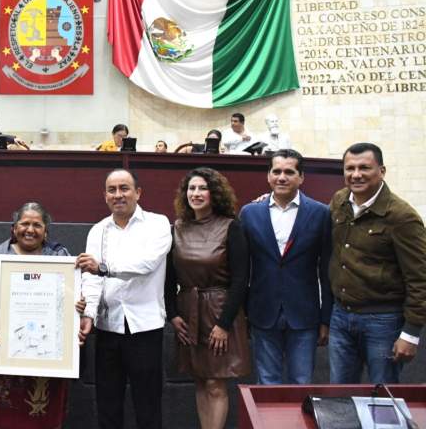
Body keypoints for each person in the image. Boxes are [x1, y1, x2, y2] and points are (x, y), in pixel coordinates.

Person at [76, 169, 172, 429]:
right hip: (108, 328)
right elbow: (91, 278)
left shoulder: (158, 224)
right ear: (105, 195)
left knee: (148, 403)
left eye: (124, 188)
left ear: (138, 193)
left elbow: (147, 264)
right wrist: (89, 316)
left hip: (145, 327)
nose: (118, 195)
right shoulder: (98, 230)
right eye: (112, 190)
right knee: (107, 403)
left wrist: (104, 267)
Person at [328, 142, 426, 384]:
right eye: (350, 168)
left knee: (382, 398)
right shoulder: (339, 201)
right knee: (339, 396)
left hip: (383, 321)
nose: (356, 174)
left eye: (365, 168)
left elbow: (419, 278)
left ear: (381, 171)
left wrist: (411, 334)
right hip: (341, 316)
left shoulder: (402, 216)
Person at [165, 167, 250, 429]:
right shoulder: (177, 228)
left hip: (220, 312)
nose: (196, 193)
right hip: (188, 310)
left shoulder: (230, 227)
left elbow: (240, 280)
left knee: (215, 382)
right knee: (200, 380)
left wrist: (224, 324)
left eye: (203, 188)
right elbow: (168, 277)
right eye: (192, 188)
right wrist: (173, 314)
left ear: (214, 193)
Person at [0, 202, 71, 429]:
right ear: (13, 228)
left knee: (39, 406)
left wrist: (78, 303)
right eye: (24, 223)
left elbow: (69, 295)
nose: (30, 229)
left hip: (46, 348)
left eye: (37, 225)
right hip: (4, 342)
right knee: (2, 407)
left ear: (46, 231)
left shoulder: (59, 255)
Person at [239, 149, 332, 384]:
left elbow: (327, 270)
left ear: (301, 177)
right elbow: (242, 268)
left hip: (305, 314)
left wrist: (326, 318)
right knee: (267, 385)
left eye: (289, 172)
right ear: (268, 175)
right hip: (262, 312)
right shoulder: (249, 213)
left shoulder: (320, 213)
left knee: (301, 383)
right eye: (276, 171)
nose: (282, 177)